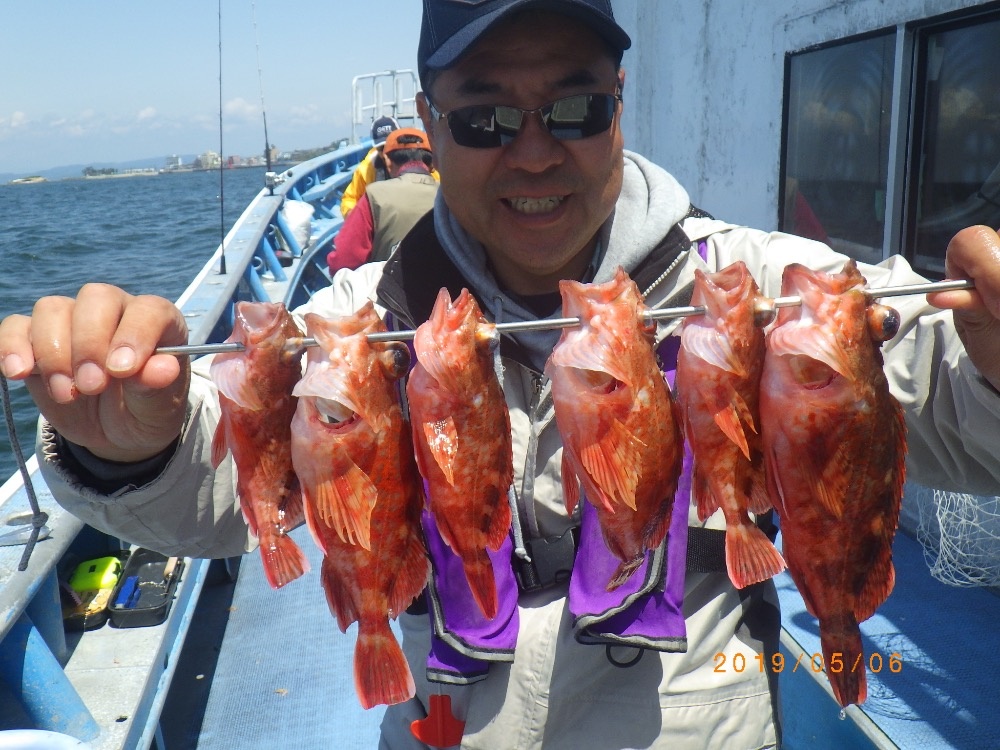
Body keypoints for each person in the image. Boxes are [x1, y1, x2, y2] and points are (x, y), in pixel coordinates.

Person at [4, 1, 1000, 747]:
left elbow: (942, 395)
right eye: (484, 118)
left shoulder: (759, 290)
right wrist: (132, 451)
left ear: (617, 110)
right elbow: (227, 486)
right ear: (429, 128)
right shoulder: (361, 322)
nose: (533, 152)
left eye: (573, 107)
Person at [327, 128, 438, 275]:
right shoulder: (453, 196)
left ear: (387, 161)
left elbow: (342, 262)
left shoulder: (375, 196)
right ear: (432, 163)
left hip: (385, 294)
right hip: (449, 294)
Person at [339, 115, 400, 218]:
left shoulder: (420, 159)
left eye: (391, 146)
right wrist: (352, 215)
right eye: (382, 148)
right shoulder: (367, 168)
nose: (386, 154)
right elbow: (350, 199)